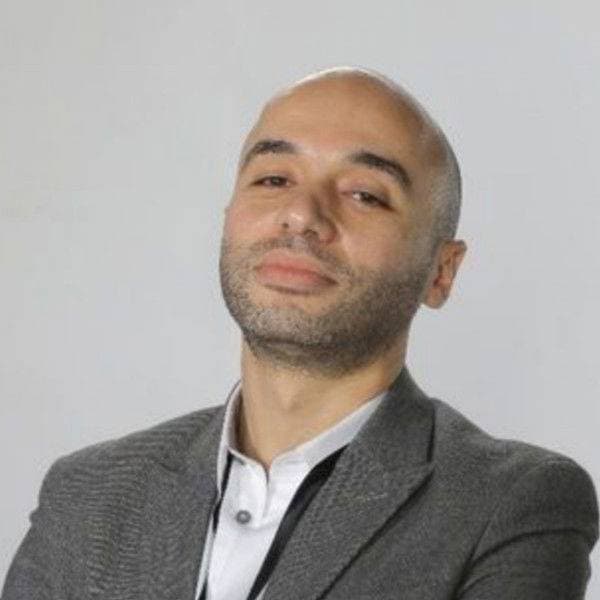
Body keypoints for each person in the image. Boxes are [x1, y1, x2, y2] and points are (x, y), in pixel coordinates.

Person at [2, 67, 598, 600]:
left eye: (365, 194)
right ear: (229, 220)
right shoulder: (86, 494)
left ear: (441, 272)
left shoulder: (513, 505)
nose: (302, 215)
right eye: (272, 180)